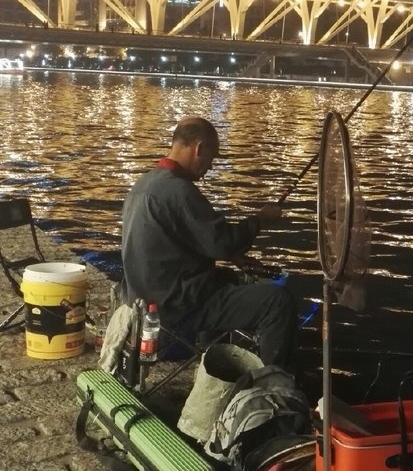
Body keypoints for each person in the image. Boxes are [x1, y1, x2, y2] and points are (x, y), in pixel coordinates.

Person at [121, 116, 296, 369]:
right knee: (278, 301)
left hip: (143, 299)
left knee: (226, 278)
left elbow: (180, 240)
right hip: (175, 309)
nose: (210, 168)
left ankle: (212, 362)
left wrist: (231, 256)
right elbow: (223, 242)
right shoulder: (180, 191)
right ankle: (271, 383)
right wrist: (260, 220)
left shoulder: (145, 184)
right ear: (199, 148)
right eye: (211, 159)